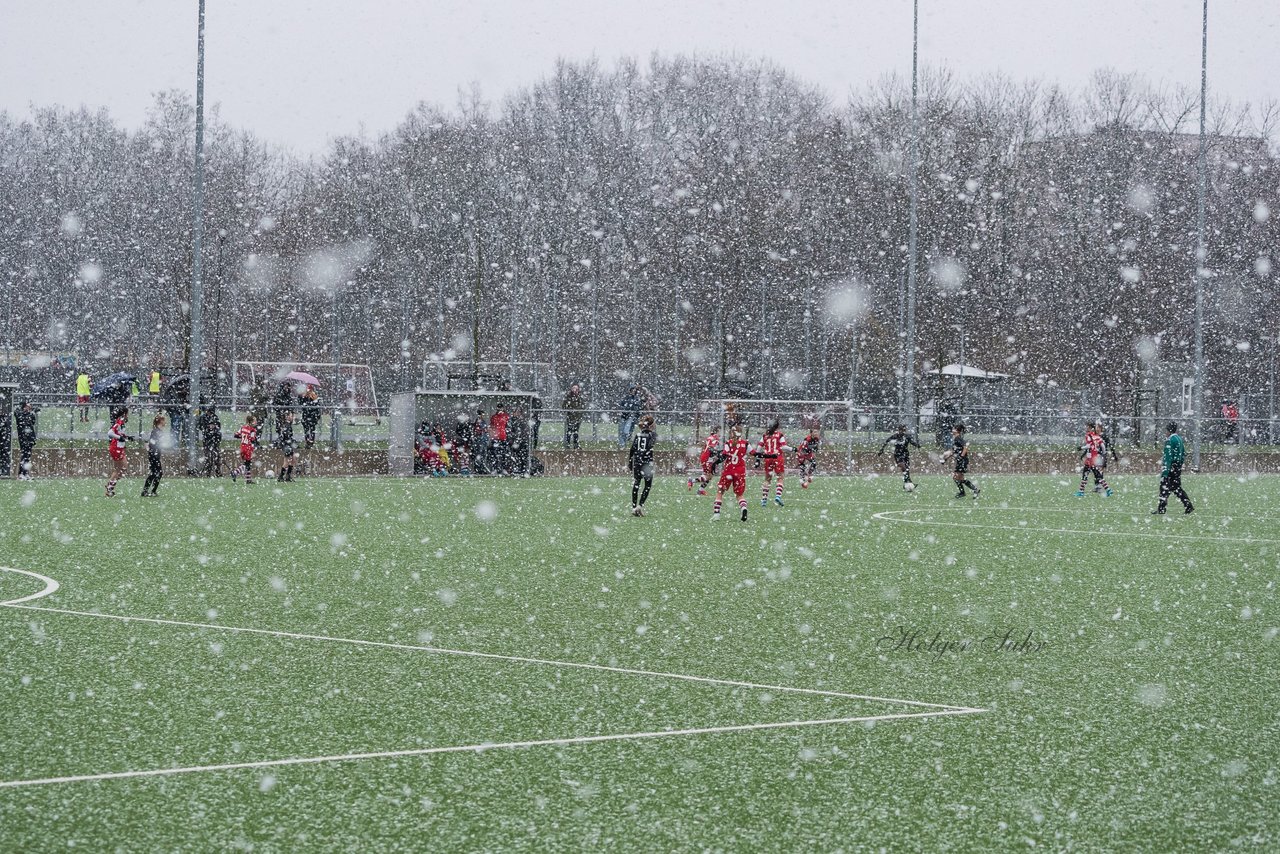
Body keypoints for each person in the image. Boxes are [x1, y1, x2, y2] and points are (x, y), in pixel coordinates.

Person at [1153, 422, 1194, 515]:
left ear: (1169, 430)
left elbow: (1168, 457)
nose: (1165, 432)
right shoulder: (1179, 439)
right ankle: (1188, 506)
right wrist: (1179, 463)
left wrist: (1165, 471)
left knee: (1164, 487)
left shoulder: (1170, 440)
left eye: (1166, 430)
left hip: (1171, 467)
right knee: (1176, 488)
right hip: (1177, 467)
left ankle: (1161, 509)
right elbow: (1184, 453)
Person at [713, 426, 751, 522]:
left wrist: (715, 463)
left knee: (720, 491)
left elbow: (724, 455)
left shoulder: (729, 443)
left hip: (729, 470)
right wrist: (769, 455)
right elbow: (754, 453)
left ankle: (716, 514)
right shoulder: (745, 443)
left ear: (731, 433)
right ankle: (743, 508)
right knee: (739, 495)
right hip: (740, 471)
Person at [753, 419, 788, 507]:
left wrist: (757, 459)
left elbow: (759, 447)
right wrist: (793, 449)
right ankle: (778, 496)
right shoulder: (779, 435)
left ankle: (764, 500)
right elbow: (783, 447)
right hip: (777, 457)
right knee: (780, 477)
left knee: (767, 479)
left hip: (767, 458)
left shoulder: (765, 435)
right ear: (777, 426)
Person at [628, 414, 658, 516]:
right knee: (647, 485)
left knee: (636, 483)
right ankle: (640, 506)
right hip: (647, 462)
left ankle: (633, 507)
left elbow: (632, 449)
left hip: (637, 461)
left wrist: (630, 462)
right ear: (651, 425)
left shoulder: (638, 435)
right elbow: (650, 445)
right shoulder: (652, 435)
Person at [942, 422, 980, 500]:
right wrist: (945, 459)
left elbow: (965, 447)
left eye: (954, 428)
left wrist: (961, 456)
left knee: (956, 477)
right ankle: (971, 490)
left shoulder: (958, 438)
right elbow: (953, 451)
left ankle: (969, 491)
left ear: (957, 430)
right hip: (961, 460)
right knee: (959, 478)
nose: (952, 430)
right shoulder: (955, 439)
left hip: (962, 460)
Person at [878, 424, 922, 491]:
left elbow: (912, 442)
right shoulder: (895, 436)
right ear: (899, 430)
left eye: (904, 430)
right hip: (898, 455)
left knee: (906, 469)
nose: (903, 431)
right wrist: (881, 450)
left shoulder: (907, 436)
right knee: (903, 467)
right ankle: (909, 482)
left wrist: (917, 445)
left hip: (906, 454)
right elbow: (886, 441)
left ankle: (906, 484)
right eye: (901, 430)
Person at [1076, 421, 1113, 497]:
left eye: (1088, 427)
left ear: (1091, 428)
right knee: (1098, 475)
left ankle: (1081, 492)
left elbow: (1089, 445)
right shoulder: (1097, 436)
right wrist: (1103, 453)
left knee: (1086, 475)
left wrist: (1081, 448)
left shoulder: (1089, 436)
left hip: (1090, 459)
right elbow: (1103, 446)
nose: (1086, 428)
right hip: (1094, 458)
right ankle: (1108, 490)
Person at [105, 407, 135, 497]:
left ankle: (110, 485)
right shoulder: (119, 422)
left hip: (119, 448)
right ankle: (109, 488)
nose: (128, 416)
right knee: (120, 469)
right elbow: (110, 433)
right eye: (127, 414)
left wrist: (127, 437)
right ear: (124, 414)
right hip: (116, 448)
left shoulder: (121, 422)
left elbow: (119, 433)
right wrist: (120, 438)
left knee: (122, 468)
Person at [688, 427, 721, 495]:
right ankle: (692, 481)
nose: (720, 434)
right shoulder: (715, 439)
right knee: (708, 476)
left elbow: (707, 447)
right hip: (707, 458)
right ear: (716, 432)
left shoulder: (710, 438)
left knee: (709, 476)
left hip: (705, 457)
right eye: (719, 432)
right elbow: (711, 449)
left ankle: (700, 490)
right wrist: (719, 453)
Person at [141, 414, 166, 497]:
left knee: (155, 473)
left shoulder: (159, 431)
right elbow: (152, 442)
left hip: (155, 454)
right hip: (154, 454)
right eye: (164, 420)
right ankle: (151, 491)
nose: (165, 422)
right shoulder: (156, 431)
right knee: (157, 473)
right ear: (160, 421)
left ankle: (149, 491)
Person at [231, 414, 259, 484]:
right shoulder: (253, 430)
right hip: (248, 448)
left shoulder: (242, 428)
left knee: (247, 463)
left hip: (242, 447)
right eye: (255, 421)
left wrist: (243, 436)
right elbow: (252, 440)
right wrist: (252, 450)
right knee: (247, 464)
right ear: (251, 422)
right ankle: (235, 472)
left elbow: (236, 435)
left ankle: (248, 479)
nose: (256, 422)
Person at [14, 400, 38, 480]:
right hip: (24, 438)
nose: (29, 407)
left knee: (27, 456)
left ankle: (25, 473)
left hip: (29, 438)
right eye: (28, 406)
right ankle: (21, 474)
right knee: (24, 456)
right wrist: (29, 411)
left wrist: (32, 412)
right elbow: (20, 416)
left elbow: (32, 422)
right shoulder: (20, 414)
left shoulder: (29, 415)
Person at [197, 403, 223, 477]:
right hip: (207, 439)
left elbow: (218, 426)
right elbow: (201, 427)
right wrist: (207, 428)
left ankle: (218, 472)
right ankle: (208, 472)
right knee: (208, 456)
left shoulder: (215, 417)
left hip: (214, 439)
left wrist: (215, 428)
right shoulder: (203, 417)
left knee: (217, 456)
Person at [276, 410, 297, 482]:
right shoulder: (286, 425)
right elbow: (285, 437)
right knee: (287, 461)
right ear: (287, 417)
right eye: (291, 416)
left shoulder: (288, 425)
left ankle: (288, 476)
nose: (293, 417)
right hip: (286, 445)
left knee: (293, 460)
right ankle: (281, 476)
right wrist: (287, 443)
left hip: (288, 444)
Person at [489, 404, 511, 475]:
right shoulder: (494, 417)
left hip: (503, 437)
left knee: (504, 454)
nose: (500, 410)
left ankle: (504, 469)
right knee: (494, 454)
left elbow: (509, 426)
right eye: (498, 408)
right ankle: (495, 469)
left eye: (501, 408)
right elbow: (492, 426)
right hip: (495, 438)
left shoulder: (506, 416)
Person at [562, 383, 585, 449]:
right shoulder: (568, 397)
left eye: (576, 389)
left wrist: (578, 412)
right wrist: (570, 410)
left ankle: (576, 445)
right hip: (570, 417)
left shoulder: (580, 398)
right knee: (569, 431)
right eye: (573, 389)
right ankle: (568, 444)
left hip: (578, 418)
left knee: (576, 432)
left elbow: (582, 406)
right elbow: (564, 406)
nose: (575, 390)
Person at [300, 385, 321, 450]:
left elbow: (316, 406)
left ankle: (311, 442)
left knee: (312, 430)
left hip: (312, 416)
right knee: (306, 430)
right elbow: (302, 404)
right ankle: (307, 442)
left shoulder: (314, 397)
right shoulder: (304, 396)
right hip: (306, 416)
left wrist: (310, 404)